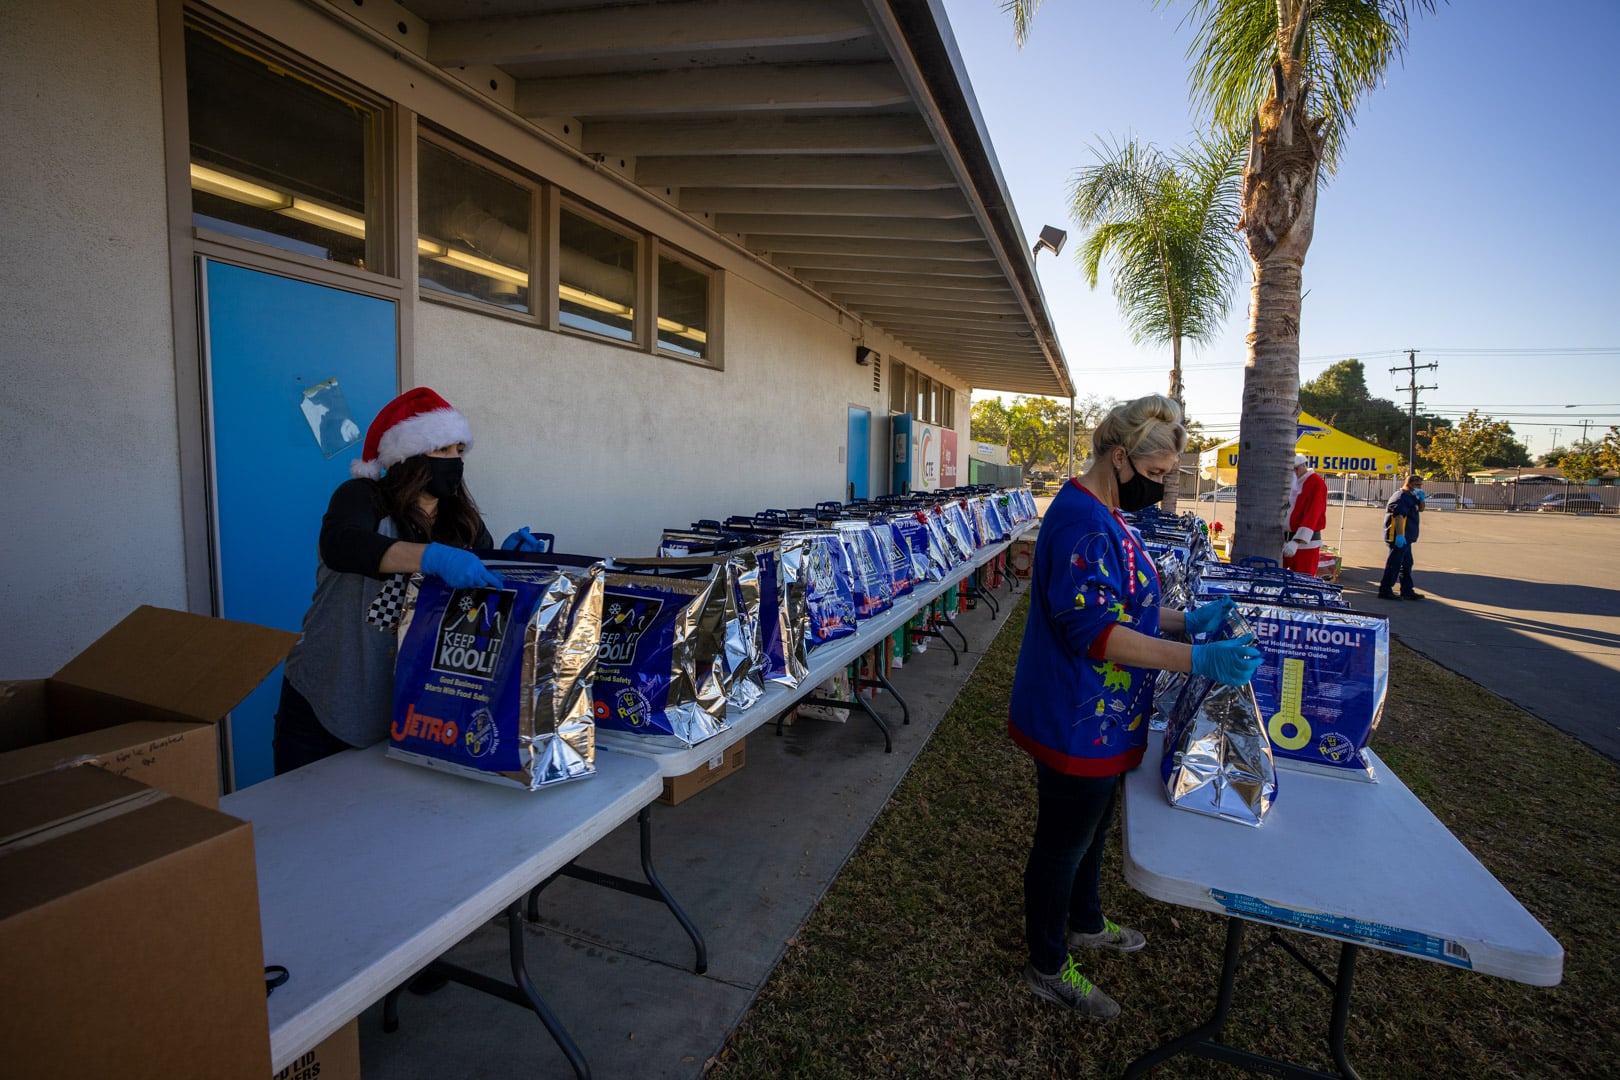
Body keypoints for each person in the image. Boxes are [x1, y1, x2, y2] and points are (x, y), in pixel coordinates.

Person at [1007, 393, 1264, 1020]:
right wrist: (1200, 660)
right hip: (1076, 717)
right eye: (1155, 475)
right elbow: (1096, 633)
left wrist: (1184, 622)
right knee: (1063, 842)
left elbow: (1127, 608)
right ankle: (1046, 964)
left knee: (1092, 830)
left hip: (1105, 716)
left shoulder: (1108, 511)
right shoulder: (1080, 522)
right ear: (1119, 457)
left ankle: (1086, 922)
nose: (1163, 488)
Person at [274, 387, 507, 775]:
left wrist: (512, 558)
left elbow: (479, 577)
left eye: (459, 451)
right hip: (327, 698)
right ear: (410, 457)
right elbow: (343, 545)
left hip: (412, 709)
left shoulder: (460, 520)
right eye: (442, 451)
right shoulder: (363, 498)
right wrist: (429, 557)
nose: (454, 462)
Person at [1378, 473, 1427, 601]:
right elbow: (1398, 517)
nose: (1419, 487)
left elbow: (1421, 509)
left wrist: (1421, 499)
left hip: (1407, 537)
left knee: (1406, 564)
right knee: (1394, 563)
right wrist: (1400, 536)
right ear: (1408, 484)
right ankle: (1385, 589)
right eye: (1416, 485)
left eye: (1420, 485)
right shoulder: (1400, 497)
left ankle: (1407, 590)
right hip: (1398, 536)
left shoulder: (1412, 496)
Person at [1283, 452, 1328, 576]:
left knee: (1303, 579)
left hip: (1305, 545)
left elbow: (1313, 514)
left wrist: (1297, 541)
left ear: (1297, 469)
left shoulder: (1316, 482)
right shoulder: (1294, 483)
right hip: (1285, 541)